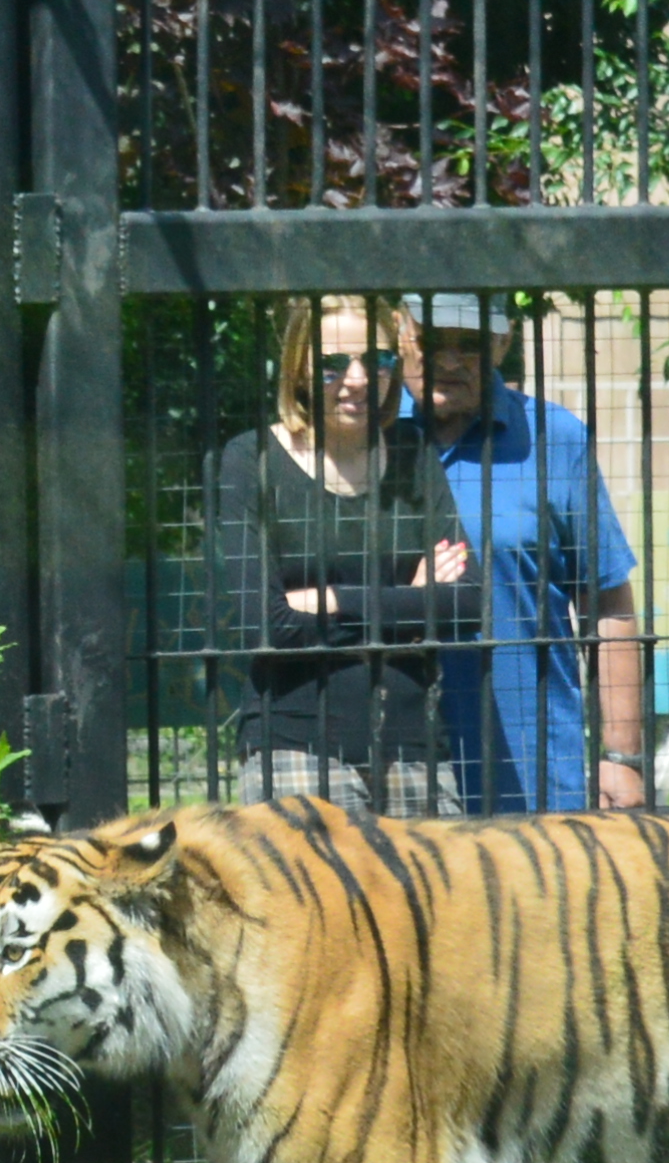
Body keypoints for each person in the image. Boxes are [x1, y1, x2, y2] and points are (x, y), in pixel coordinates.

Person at [413, 293, 649, 1163]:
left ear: (499, 348)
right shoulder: (370, 441)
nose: (452, 362)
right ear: (402, 345)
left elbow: (609, 604)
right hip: (408, 782)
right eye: (435, 343)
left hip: (538, 783)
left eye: (472, 343)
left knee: (558, 1016)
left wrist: (624, 756)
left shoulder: (551, 439)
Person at [200, 295, 476, 814]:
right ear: (299, 369)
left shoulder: (414, 454)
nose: (357, 379)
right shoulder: (251, 461)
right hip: (295, 747)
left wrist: (324, 599)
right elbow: (267, 625)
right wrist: (407, 605)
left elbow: (466, 603)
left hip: (414, 746)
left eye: (378, 361)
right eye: (332, 363)